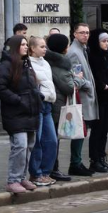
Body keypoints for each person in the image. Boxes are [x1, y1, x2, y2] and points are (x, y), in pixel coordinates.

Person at [0, 35, 41, 193]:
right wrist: (17, 100)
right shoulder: (7, 65)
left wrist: (37, 98)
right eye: (22, 45)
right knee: (19, 145)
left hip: (30, 112)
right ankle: (13, 180)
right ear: (15, 47)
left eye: (26, 44)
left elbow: (32, 85)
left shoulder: (26, 64)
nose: (26, 47)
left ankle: (22, 178)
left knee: (29, 146)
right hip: (15, 113)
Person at [65, 23, 96, 177]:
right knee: (79, 130)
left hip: (84, 96)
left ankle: (77, 162)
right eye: (82, 32)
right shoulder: (74, 52)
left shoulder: (82, 50)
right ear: (75, 34)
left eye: (87, 32)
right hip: (80, 97)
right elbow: (76, 76)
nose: (85, 35)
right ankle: (75, 163)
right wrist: (88, 84)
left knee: (82, 130)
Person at [45, 32, 76, 182]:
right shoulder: (60, 64)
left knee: (52, 139)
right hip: (57, 105)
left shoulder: (49, 61)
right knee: (54, 140)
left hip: (53, 104)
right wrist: (76, 80)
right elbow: (68, 87)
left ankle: (52, 168)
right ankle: (53, 169)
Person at [27, 36, 58, 186]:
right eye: (41, 47)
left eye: (45, 46)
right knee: (37, 141)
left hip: (48, 105)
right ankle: (36, 174)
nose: (45, 49)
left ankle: (46, 172)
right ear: (32, 49)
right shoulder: (28, 64)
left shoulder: (45, 63)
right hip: (38, 104)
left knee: (51, 140)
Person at [87, 29, 108, 173]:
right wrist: (103, 85)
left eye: (107, 41)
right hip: (99, 98)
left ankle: (102, 157)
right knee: (97, 130)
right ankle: (95, 159)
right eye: (103, 41)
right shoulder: (93, 57)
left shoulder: (106, 56)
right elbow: (94, 77)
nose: (106, 44)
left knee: (105, 130)